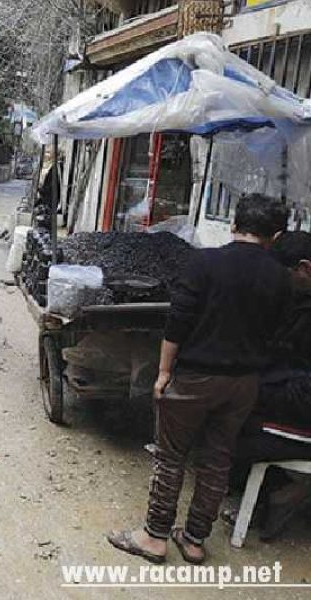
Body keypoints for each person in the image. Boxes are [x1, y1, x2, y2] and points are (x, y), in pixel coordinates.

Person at [107, 193, 291, 565]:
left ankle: (155, 536)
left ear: (235, 225)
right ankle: (193, 540)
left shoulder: (205, 263)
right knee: (217, 460)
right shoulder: (283, 278)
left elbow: (178, 321)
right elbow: (279, 335)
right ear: (276, 236)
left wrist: (162, 372)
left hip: (195, 378)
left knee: (171, 456)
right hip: (242, 385)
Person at [227, 231, 311, 540]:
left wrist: (256, 389)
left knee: (236, 421)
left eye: (285, 274)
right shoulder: (297, 300)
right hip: (295, 392)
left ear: (304, 268)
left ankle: (282, 495)